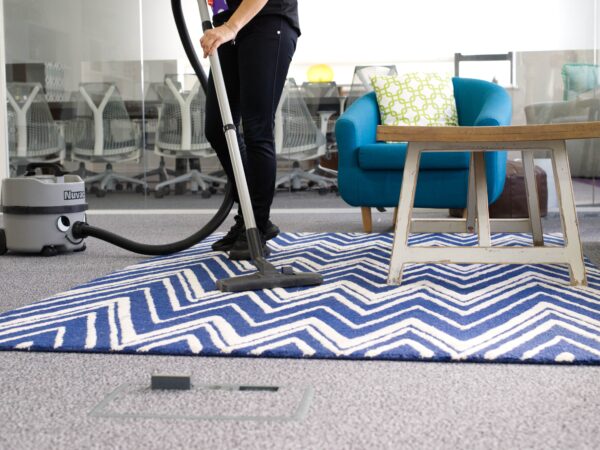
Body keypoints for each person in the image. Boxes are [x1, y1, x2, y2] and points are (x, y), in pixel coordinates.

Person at [200, 0, 300, 260]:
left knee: (258, 129)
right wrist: (227, 26)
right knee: (217, 128)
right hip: (227, 25)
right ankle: (251, 217)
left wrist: (232, 26)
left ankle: (255, 223)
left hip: (265, 20)